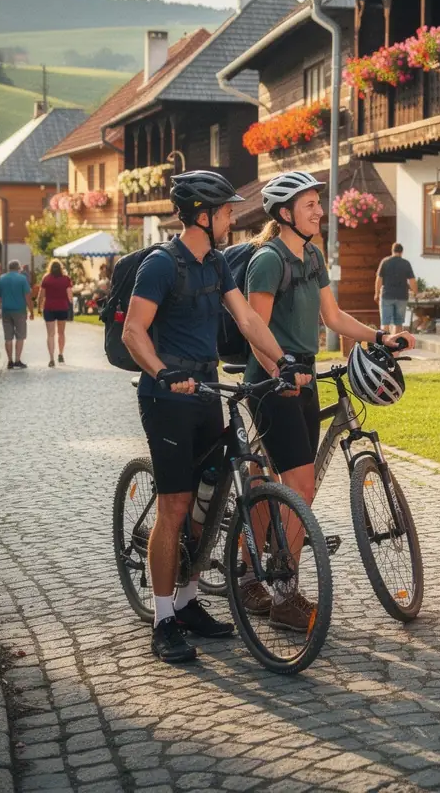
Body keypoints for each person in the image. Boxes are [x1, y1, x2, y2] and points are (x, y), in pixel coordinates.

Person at [122, 170, 310, 665]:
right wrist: (162, 373)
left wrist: (282, 360)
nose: (232, 215)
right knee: (176, 507)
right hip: (167, 398)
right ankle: (164, 620)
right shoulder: (162, 266)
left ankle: (187, 603)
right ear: (203, 216)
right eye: (225, 209)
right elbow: (134, 332)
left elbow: (248, 319)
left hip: (205, 389)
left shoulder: (218, 265)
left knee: (210, 496)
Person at [242, 171, 415, 630]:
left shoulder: (312, 255)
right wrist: (281, 371)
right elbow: (255, 331)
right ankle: (283, 594)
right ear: (285, 214)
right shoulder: (267, 260)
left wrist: (382, 335)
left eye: (319, 203)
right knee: (299, 486)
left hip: (303, 375)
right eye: (311, 205)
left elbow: (333, 317)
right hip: (272, 383)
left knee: (289, 485)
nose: (320, 211)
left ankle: (254, 575)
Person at [0, 260, 34, 369]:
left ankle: (10, 361)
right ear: (18, 268)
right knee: (20, 336)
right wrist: (31, 311)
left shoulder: (2, 279)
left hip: (6, 310)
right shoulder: (22, 279)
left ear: (8, 268)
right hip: (19, 311)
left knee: (8, 337)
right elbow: (27, 297)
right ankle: (17, 360)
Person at [375, 242, 417, 335]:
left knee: (385, 323)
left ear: (392, 251)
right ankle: (396, 344)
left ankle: (384, 345)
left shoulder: (385, 262)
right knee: (398, 323)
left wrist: (376, 293)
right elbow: (412, 280)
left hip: (387, 296)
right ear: (402, 252)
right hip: (402, 297)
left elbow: (379, 279)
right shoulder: (406, 263)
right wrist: (415, 293)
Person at [37, 258, 73, 367]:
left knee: (50, 334)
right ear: (61, 268)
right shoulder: (66, 279)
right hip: (62, 308)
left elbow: (41, 295)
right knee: (61, 333)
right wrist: (70, 305)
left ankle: (51, 358)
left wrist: (39, 307)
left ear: (50, 268)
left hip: (49, 308)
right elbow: (70, 296)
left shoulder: (46, 279)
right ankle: (61, 354)